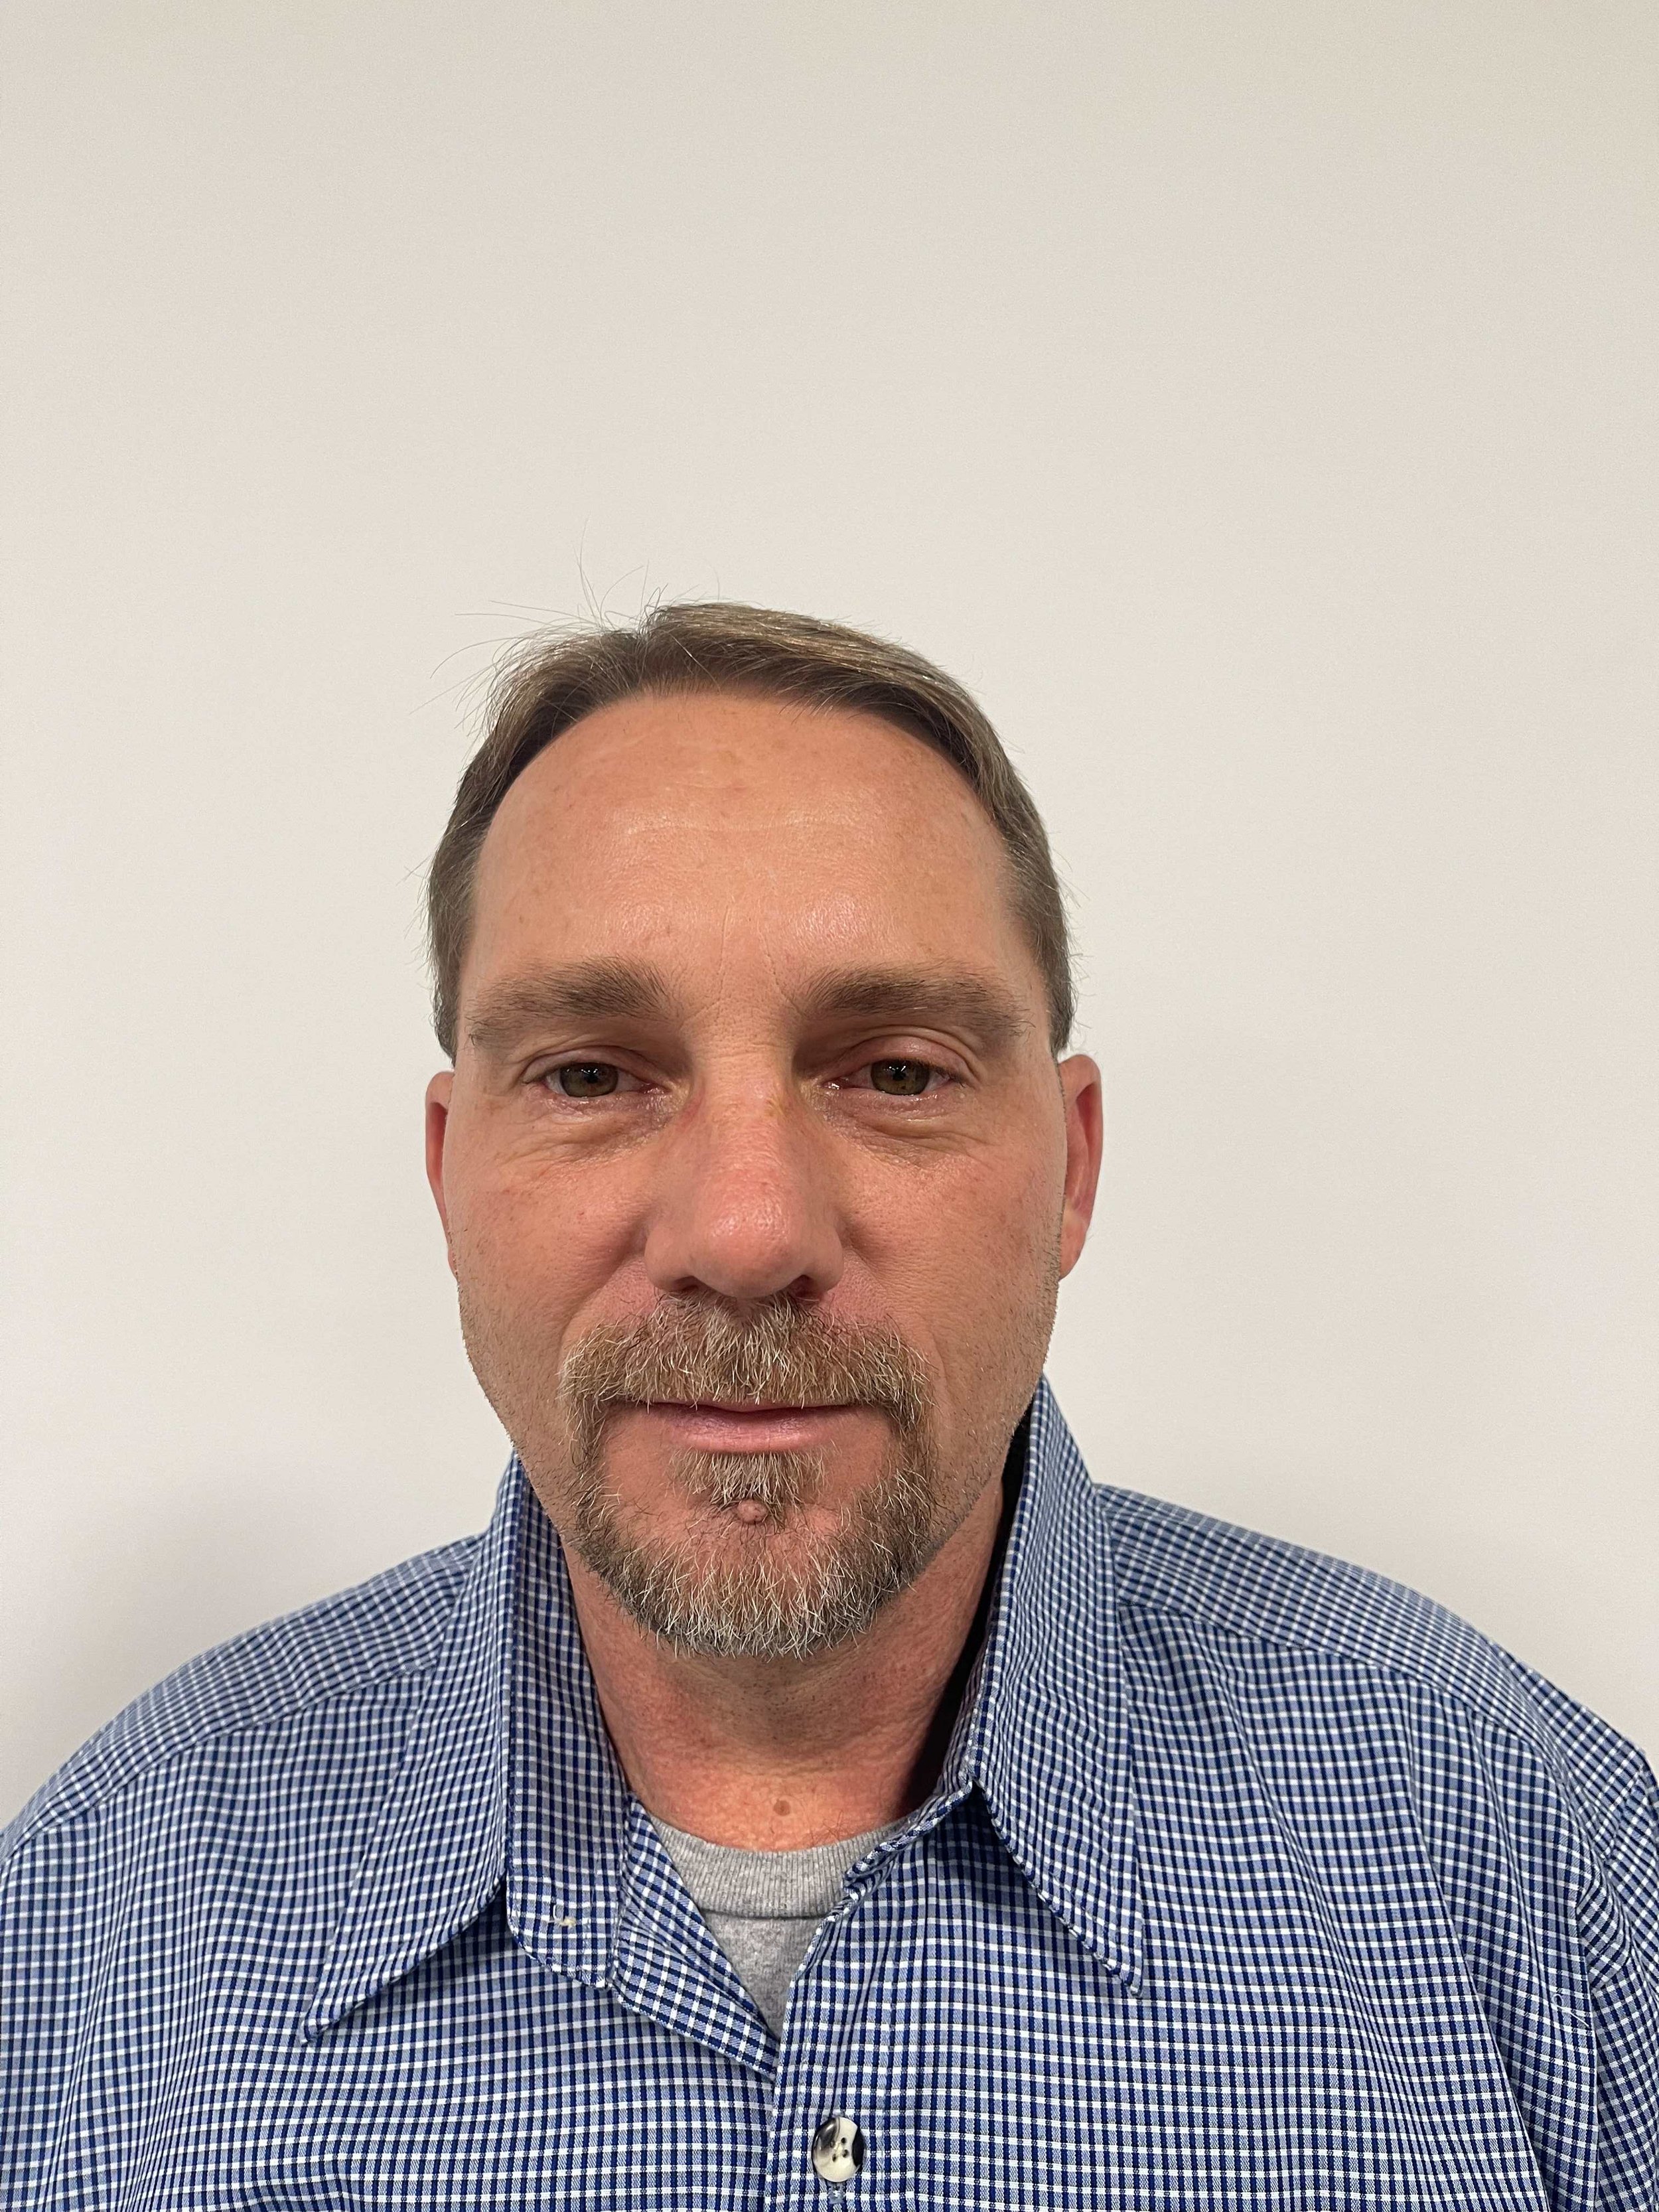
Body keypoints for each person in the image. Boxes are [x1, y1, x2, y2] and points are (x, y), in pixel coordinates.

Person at [3, 602, 1654, 2209]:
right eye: (590, 1073)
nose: (743, 1233)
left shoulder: (1526, 1844)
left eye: (893, 1071)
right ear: (451, 1177)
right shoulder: (99, 1905)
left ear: (1070, 1170)